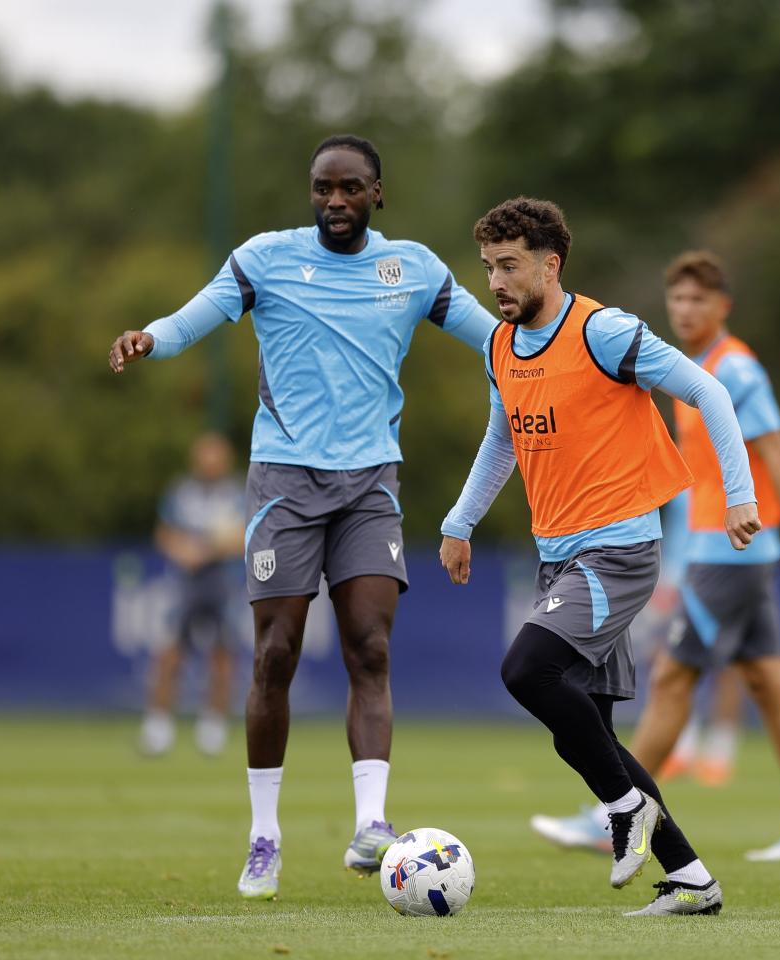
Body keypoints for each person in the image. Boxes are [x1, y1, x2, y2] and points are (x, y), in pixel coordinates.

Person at [108, 134, 498, 900]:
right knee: (274, 656)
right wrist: (150, 338)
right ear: (310, 190)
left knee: (371, 647)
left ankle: (372, 825)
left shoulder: (413, 269)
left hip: (369, 487)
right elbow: (198, 315)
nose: (335, 202)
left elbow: (497, 338)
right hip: (284, 484)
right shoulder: (266, 259)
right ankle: (263, 837)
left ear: (377, 193)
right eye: (323, 188)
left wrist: (560, 350)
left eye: (351, 188)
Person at [440, 201, 757, 916]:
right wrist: (459, 522)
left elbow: (708, 390)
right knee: (585, 734)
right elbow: (504, 442)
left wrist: (737, 494)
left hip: (618, 550)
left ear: (551, 265)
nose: (496, 280)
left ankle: (624, 811)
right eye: (489, 266)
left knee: (527, 670)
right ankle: (692, 880)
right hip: (560, 556)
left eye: (510, 265)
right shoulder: (500, 346)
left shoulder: (603, 331)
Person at [529, 250, 780, 863]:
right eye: (678, 299)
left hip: (730, 552)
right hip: (729, 552)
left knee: (673, 678)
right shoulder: (688, 367)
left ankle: (610, 812)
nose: (686, 309)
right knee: (772, 685)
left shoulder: (737, 369)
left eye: (699, 299)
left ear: (722, 307)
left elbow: (776, 454)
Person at [138, 431, 246, 758]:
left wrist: (208, 549)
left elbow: (244, 536)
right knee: (170, 653)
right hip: (186, 582)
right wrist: (182, 550)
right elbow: (165, 532)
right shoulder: (181, 492)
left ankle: (212, 728)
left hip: (223, 581)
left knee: (223, 655)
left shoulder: (237, 493)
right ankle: (159, 727)